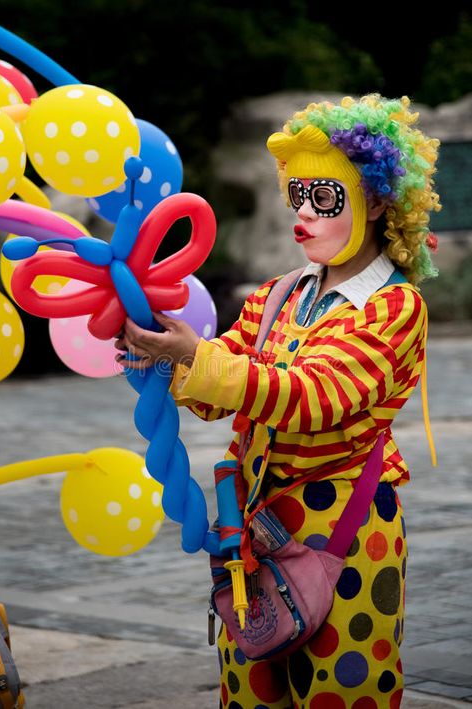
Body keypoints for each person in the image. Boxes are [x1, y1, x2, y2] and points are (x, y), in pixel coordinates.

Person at [115, 94, 440, 708]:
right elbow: (221, 389)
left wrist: (194, 357)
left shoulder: (395, 309)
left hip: (348, 528)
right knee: (250, 687)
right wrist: (157, 351)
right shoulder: (277, 295)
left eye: (325, 197)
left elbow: (314, 397)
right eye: (297, 196)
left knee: (344, 689)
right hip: (256, 527)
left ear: (373, 203)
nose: (303, 213)